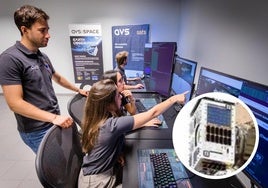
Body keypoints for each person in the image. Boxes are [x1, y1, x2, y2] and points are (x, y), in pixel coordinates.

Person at [0, 5, 88, 154]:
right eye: (42, 30)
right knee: (58, 170)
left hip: (52, 120)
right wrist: (53, 117)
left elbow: (57, 77)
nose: (48, 35)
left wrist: (77, 89)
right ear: (24, 30)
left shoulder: (41, 56)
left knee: (69, 157)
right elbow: (15, 103)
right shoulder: (10, 59)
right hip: (37, 129)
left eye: (47, 30)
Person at [78, 79, 188, 187]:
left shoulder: (96, 119)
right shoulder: (111, 125)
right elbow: (153, 112)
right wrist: (173, 99)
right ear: (108, 104)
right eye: (117, 96)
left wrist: (116, 154)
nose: (121, 96)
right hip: (95, 183)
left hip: (94, 173)